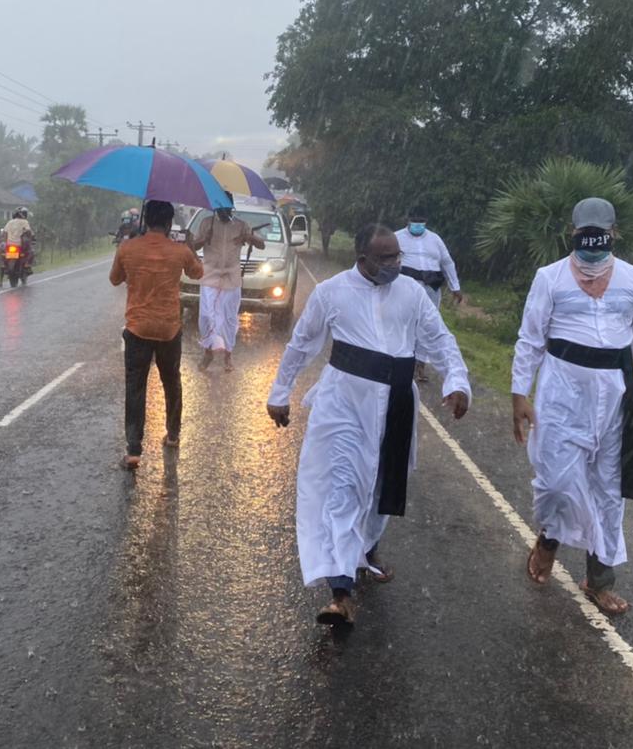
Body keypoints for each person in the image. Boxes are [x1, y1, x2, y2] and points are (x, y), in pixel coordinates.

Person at [267, 223, 470, 628]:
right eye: (386, 257)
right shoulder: (332, 293)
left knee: (382, 486)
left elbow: (440, 339)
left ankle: (366, 548)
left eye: (397, 256)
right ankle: (341, 592)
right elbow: (302, 343)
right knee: (342, 488)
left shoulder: (411, 293)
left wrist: (457, 381)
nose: (395, 263)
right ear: (363, 259)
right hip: (344, 405)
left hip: (397, 402)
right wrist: (280, 391)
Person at [510, 197, 633, 616]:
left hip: (614, 396)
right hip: (561, 393)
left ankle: (599, 579)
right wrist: (520, 393)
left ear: (613, 234)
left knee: (608, 489)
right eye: (585, 233)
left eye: (600, 234)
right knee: (557, 482)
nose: (593, 242)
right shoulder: (549, 278)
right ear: (573, 233)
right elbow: (531, 338)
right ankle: (550, 537)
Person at [109, 200, 204, 469]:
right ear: (169, 223)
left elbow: (115, 279)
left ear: (146, 220)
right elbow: (198, 273)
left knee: (135, 386)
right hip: (168, 329)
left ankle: (134, 450)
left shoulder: (128, 248)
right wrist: (190, 246)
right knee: (171, 382)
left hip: (137, 328)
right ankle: (172, 435)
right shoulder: (180, 251)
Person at [191, 194, 266, 371]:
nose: (223, 212)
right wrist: (204, 239)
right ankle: (208, 352)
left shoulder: (241, 225)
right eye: (220, 209)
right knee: (206, 317)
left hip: (231, 278)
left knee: (229, 319)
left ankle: (228, 356)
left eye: (226, 209)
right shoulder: (206, 223)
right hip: (210, 276)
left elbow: (261, 244)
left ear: (231, 208)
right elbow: (193, 246)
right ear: (216, 208)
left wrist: (248, 237)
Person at [395, 205, 462, 383]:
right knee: (405, 322)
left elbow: (447, 262)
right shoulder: (397, 238)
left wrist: (455, 287)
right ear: (408, 221)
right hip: (407, 287)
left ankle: (421, 365)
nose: (418, 224)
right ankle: (402, 359)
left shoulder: (435, 240)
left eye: (421, 221)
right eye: (414, 221)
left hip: (431, 287)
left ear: (426, 222)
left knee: (428, 324)